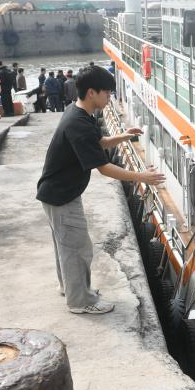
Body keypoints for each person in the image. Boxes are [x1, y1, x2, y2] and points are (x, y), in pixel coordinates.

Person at [36, 66, 166, 314]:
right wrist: (142, 177)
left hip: (57, 192)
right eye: (107, 92)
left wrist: (124, 136)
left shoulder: (78, 113)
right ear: (92, 92)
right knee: (77, 248)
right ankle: (80, 301)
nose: (110, 97)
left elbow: (98, 143)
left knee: (67, 246)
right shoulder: (79, 123)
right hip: (62, 196)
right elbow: (104, 168)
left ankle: (70, 289)